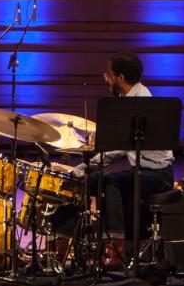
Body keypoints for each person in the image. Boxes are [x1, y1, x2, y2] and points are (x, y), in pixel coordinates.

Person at [72, 52, 175, 269]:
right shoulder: (133, 97)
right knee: (94, 180)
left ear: (120, 77)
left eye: (108, 76)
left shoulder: (137, 104)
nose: (106, 80)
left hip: (157, 176)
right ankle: (90, 243)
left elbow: (114, 151)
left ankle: (115, 248)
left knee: (107, 180)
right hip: (145, 172)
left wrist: (80, 169)